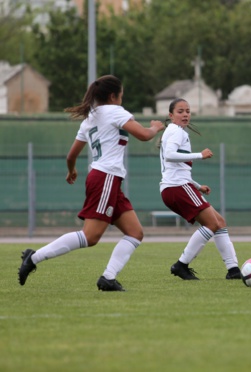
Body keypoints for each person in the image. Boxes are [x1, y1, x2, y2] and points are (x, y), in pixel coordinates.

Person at [18, 75, 165, 291]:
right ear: (113, 96)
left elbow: (71, 155)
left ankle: (108, 278)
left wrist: (71, 171)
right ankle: (33, 257)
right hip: (106, 177)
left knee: (135, 233)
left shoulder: (90, 118)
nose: (121, 99)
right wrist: (155, 127)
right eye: (121, 95)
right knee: (91, 236)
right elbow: (143, 135)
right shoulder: (115, 112)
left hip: (106, 179)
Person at [159, 98, 241, 280]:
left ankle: (233, 269)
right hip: (177, 187)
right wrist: (200, 155)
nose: (185, 114)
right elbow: (169, 156)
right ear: (171, 116)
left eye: (188, 111)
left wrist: (197, 186)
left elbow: (176, 167)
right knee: (212, 224)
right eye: (180, 111)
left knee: (219, 222)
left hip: (178, 186)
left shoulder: (174, 131)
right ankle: (181, 265)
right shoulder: (176, 131)